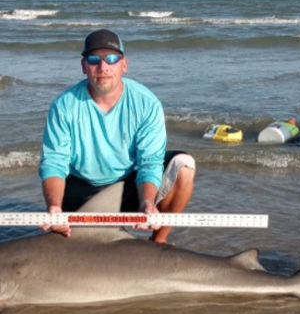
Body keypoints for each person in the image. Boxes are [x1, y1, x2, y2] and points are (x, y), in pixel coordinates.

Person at [39, 28, 195, 243]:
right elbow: (54, 162)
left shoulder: (146, 103)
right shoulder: (64, 105)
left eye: (111, 58)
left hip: (126, 186)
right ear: (84, 66)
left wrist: (147, 202)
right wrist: (54, 208)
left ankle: (158, 242)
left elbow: (149, 162)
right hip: (81, 188)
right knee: (66, 247)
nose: (103, 67)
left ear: (124, 64)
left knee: (184, 166)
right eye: (94, 59)